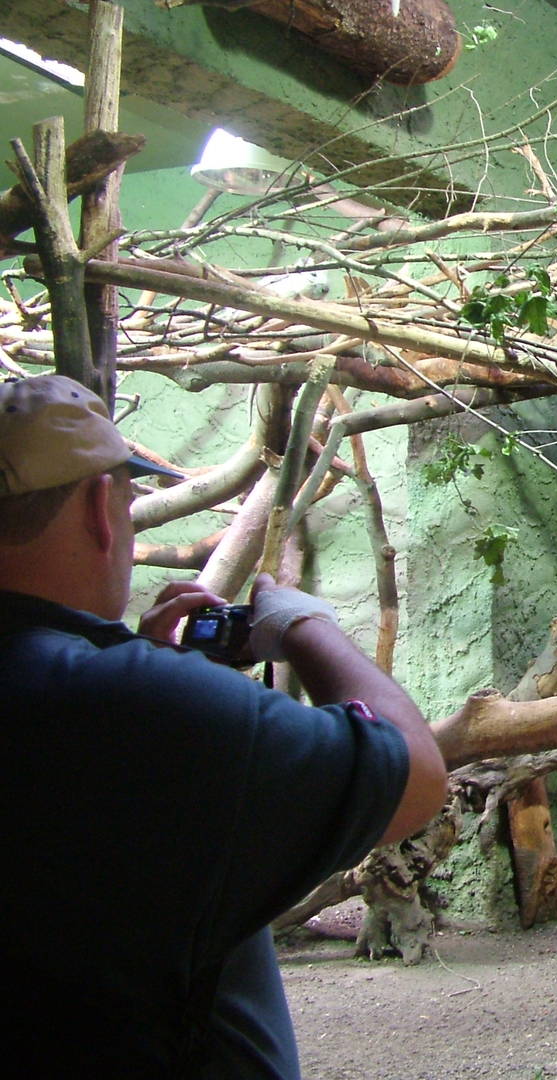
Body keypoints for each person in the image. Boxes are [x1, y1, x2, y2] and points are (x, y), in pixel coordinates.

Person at [0, 373, 447, 1077]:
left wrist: (137, 666)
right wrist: (306, 626)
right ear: (99, 509)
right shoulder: (135, 703)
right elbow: (415, 780)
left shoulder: (101, 689)